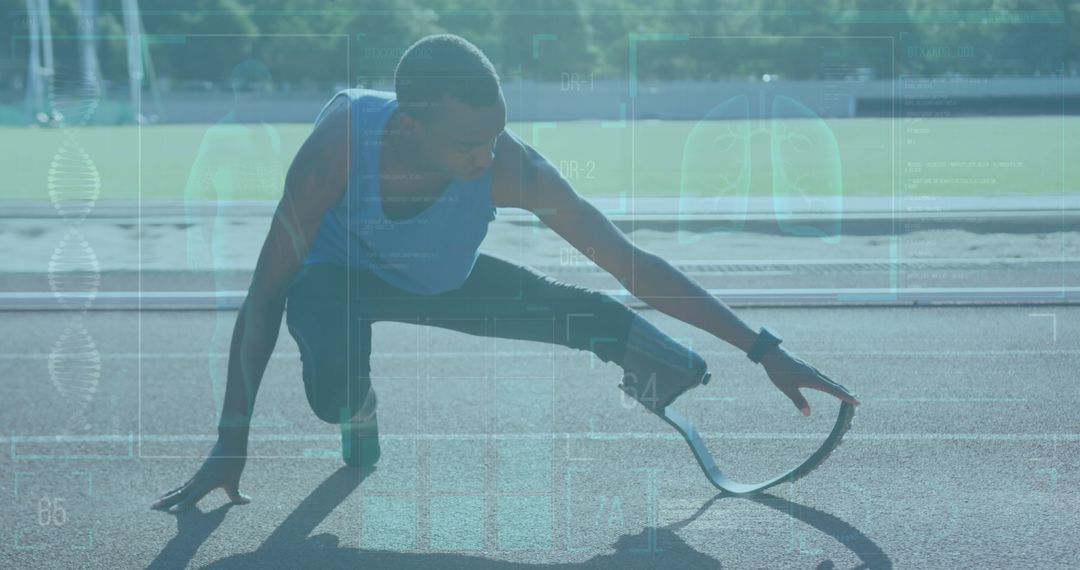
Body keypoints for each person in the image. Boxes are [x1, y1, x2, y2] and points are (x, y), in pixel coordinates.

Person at [151, 34, 860, 513]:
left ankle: (648, 360)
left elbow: (634, 265)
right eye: (467, 145)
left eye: (495, 138)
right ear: (407, 127)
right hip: (332, 284)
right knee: (332, 389)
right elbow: (265, 290)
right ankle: (355, 405)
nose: (488, 161)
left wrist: (763, 349)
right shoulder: (337, 148)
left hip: (443, 279)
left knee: (591, 313)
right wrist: (229, 440)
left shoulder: (511, 166)